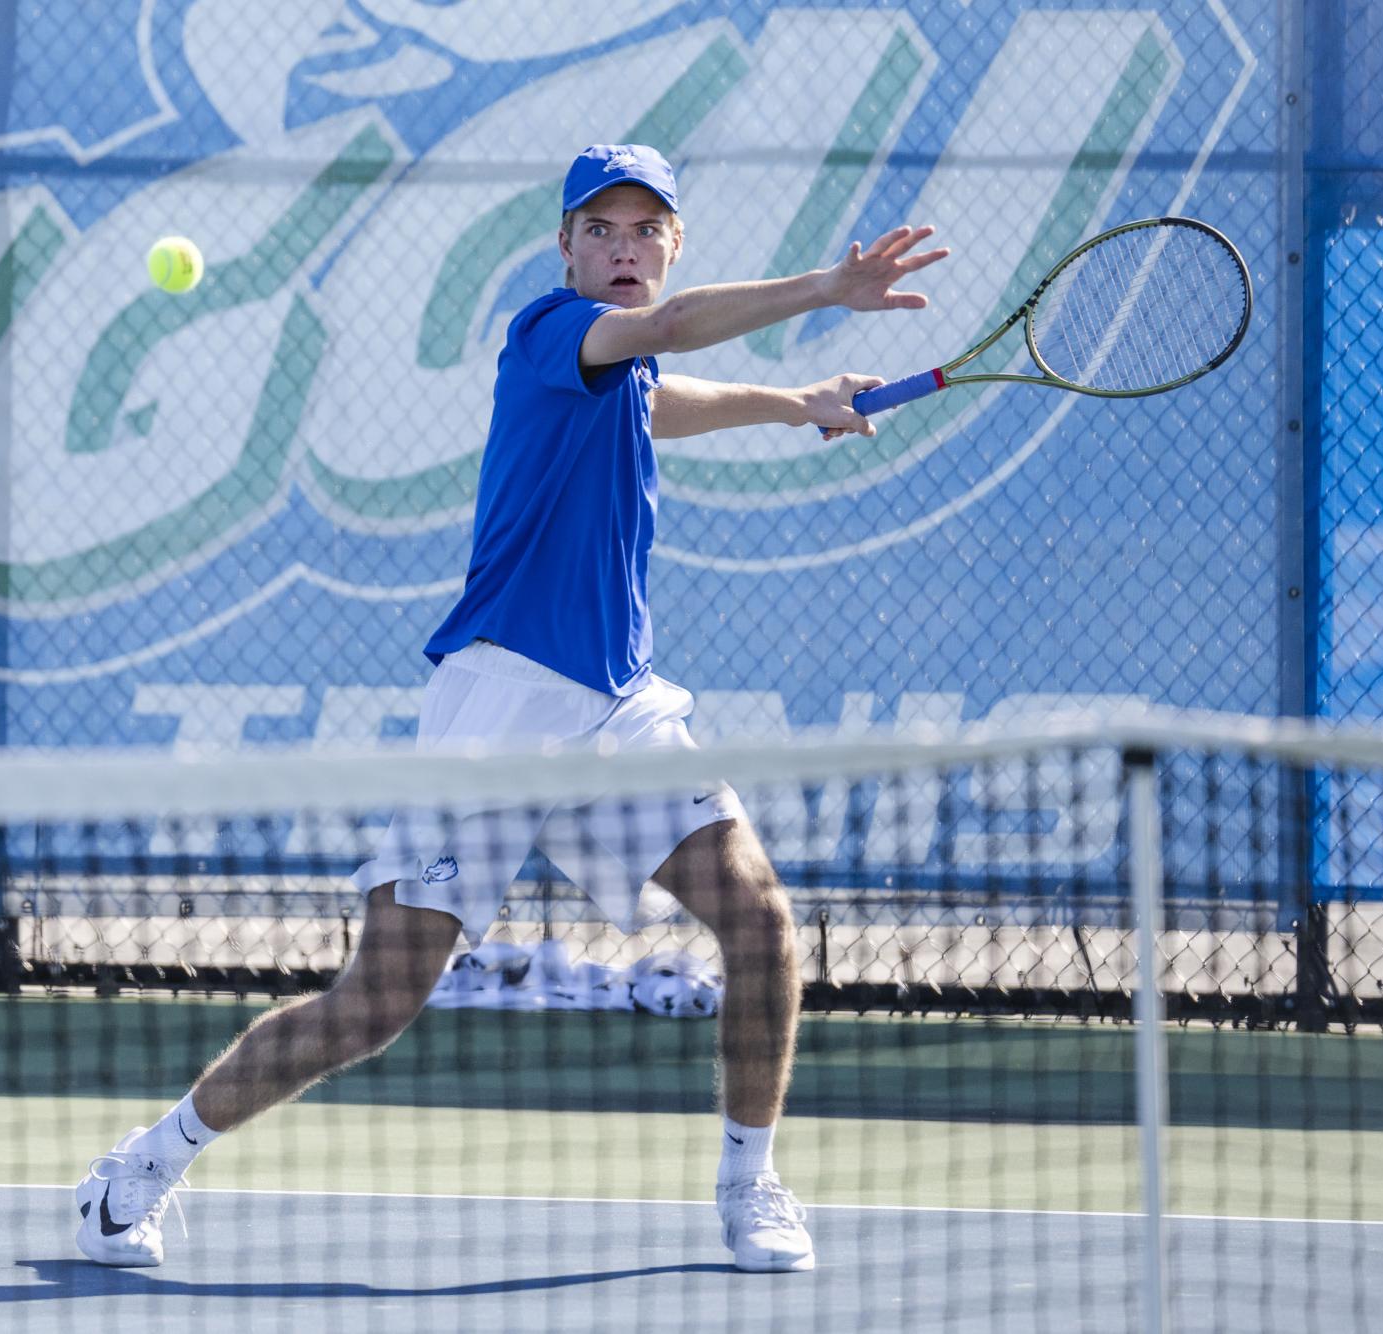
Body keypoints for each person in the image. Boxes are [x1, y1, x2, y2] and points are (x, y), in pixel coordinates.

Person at [75, 142, 947, 1274]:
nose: (625, 248)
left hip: (619, 706)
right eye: (603, 229)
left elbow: (661, 397)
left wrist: (795, 404)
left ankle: (750, 1181)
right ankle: (143, 1164)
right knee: (373, 1004)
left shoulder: (618, 375)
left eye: (646, 230)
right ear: (567, 249)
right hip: (494, 706)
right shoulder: (547, 332)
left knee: (760, 920)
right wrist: (828, 291)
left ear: (671, 242)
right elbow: (666, 338)